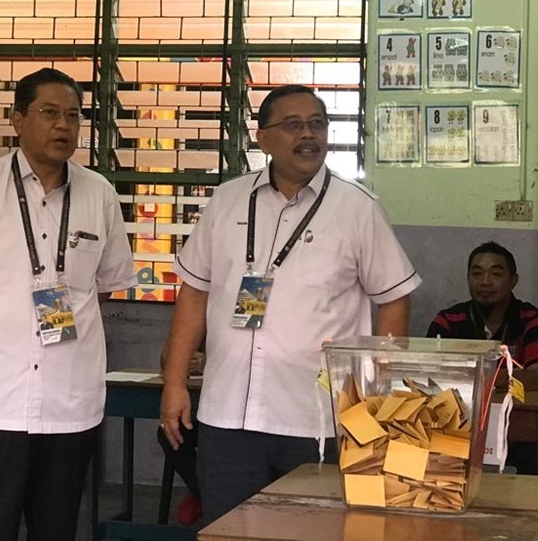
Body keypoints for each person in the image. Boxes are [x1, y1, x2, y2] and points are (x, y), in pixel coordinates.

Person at [160, 84, 420, 524]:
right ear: (261, 138)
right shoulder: (227, 199)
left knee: (314, 533)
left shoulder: (357, 208)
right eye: (293, 125)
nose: (309, 135)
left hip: (316, 419)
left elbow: (394, 297)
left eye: (317, 124)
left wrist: (374, 393)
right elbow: (195, 292)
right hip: (228, 416)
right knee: (229, 530)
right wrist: (174, 383)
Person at [0, 68, 136, 541]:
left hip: (69, 401)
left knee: (55, 529)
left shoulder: (98, 193)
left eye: (74, 117)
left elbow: (105, 283)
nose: (63, 127)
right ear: (17, 120)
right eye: (50, 113)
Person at [426, 240, 538, 392]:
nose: (485, 282)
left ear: (513, 280)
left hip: (515, 410)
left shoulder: (532, 319)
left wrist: (491, 377)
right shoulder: (448, 320)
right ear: (468, 278)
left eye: (496, 274)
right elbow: (428, 372)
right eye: (477, 274)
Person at [157, 343, 204, 525]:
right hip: (199, 408)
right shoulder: (201, 318)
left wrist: (208, 362)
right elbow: (165, 357)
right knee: (169, 431)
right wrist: (179, 359)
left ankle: (201, 493)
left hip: (234, 413)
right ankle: (201, 491)